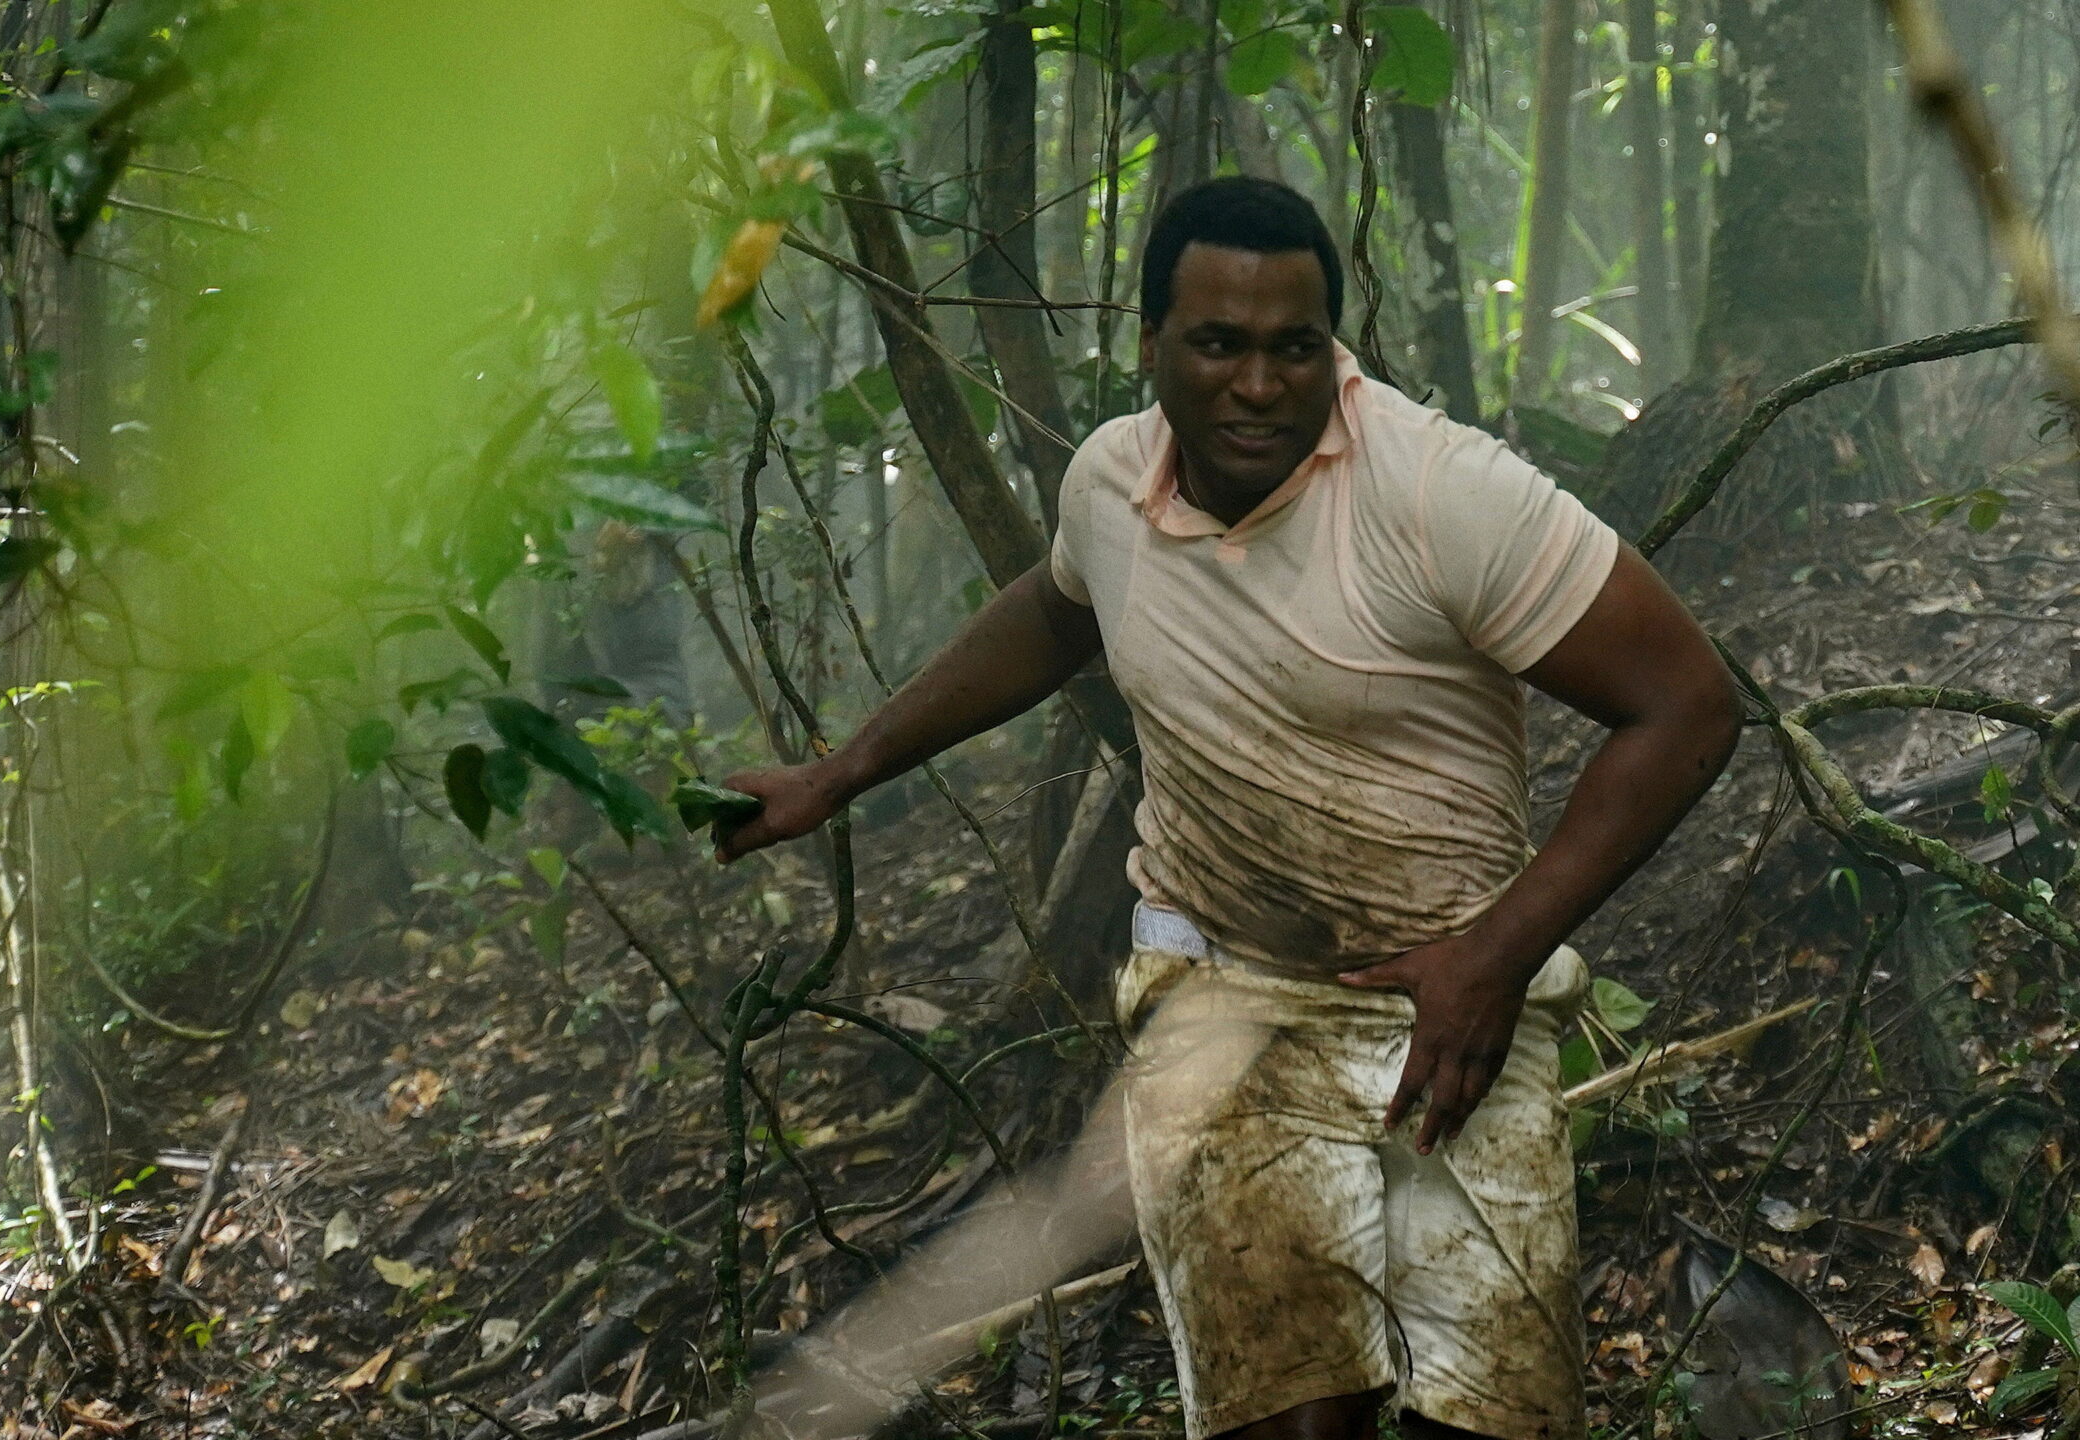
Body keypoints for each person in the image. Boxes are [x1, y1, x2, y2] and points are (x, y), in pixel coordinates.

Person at [715, 177, 1738, 1440]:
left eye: (1292, 348)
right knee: (1288, 1416)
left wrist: (1494, 956)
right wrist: (839, 773)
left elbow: (1688, 708)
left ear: (1331, 348)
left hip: (1454, 1005)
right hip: (1225, 995)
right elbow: (1053, 612)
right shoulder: (1110, 484)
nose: (1258, 385)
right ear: (1151, 345)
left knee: (1494, 1418)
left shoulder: (1441, 492)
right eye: (1217, 345)